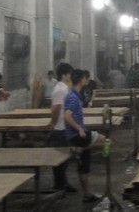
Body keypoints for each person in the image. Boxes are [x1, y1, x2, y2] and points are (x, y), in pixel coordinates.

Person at [64, 69, 106, 203]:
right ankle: (84, 149)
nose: (87, 80)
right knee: (107, 142)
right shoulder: (72, 96)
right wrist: (79, 129)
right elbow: (67, 116)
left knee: (84, 167)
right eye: (85, 78)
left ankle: (87, 194)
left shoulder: (75, 94)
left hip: (76, 134)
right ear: (80, 80)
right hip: (77, 135)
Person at [49, 63, 76, 193]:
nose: (71, 76)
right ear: (64, 75)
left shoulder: (65, 88)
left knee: (66, 156)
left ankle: (62, 182)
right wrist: (53, 122)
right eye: (69, 73)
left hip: (66, 126)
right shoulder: (60, 89)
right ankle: (59, 184)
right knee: (60, 157)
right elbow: (56, 108)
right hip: (61, 128)